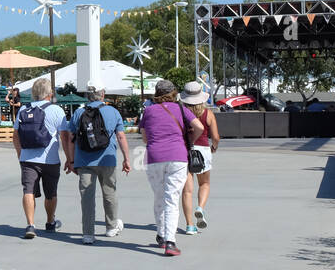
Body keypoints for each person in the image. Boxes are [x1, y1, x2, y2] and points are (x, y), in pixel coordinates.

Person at [138, 79, 206, 257]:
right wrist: (190, 140)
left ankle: (161, 235)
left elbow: (145, 138)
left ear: (157, 94)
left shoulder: (148, 111)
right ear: (174, 93)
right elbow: (199, 127)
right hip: (177, 156)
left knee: (159, 196)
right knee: (172, 198)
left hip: (153, 157)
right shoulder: (182, 109)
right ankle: (170, 241)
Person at [58, 84, 131, 244]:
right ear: (103, 94)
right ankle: (111, 227)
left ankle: (88, 234)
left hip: (84, 161)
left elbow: (71, 139)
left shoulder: (78, 113)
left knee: (87, 197)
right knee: (109, 192)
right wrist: (126, 158)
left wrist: (71, 160)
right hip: (108, 159)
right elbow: (121, 137)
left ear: (87, 95)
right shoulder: (113, 111)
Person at [13, 76, 67, 239]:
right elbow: (64, 136)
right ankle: (50, 222)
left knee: (28, 190)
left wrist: (20, 153)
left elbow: (15, 135)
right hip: (50, 160)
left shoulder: (23, 109)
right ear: (49, 94)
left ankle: (30, 224)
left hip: (28, 159)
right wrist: (70, 159)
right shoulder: (56, 110)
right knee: (50, 193)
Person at [178, 81, 219, 233]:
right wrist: (213, 147)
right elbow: (215, 137)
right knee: (205, 184)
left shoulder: (180, 113)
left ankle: (189, 225)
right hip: (203, 151)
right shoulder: (208, 114)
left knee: (187, 190)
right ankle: (200, 207)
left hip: (185, 150)